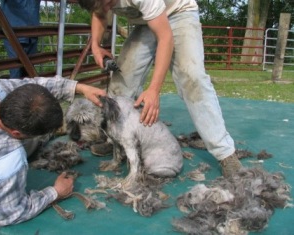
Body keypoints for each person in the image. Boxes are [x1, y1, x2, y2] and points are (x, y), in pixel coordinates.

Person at [78, 0, 242, 177]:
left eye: (109, 3)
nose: (107, 10)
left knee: (192, 78)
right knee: (121, 82)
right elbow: (99, 13)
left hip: (178, 13)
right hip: (146, 22)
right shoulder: (100, 3)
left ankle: (225, 153)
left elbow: (165, 37)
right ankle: (116, 140)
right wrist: (95, 44)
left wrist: (154, 90)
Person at [0, 75, 106, 226]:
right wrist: (56, 192)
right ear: (16, 134)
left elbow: (34, 85)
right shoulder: (7, 161)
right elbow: (10, 213)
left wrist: (80, 87)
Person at [0, 0, 41, 78]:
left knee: (29, 70)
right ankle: (16, 89)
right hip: (14, 32)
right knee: (16, 70)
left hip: (32, 34)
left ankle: (26, 88)